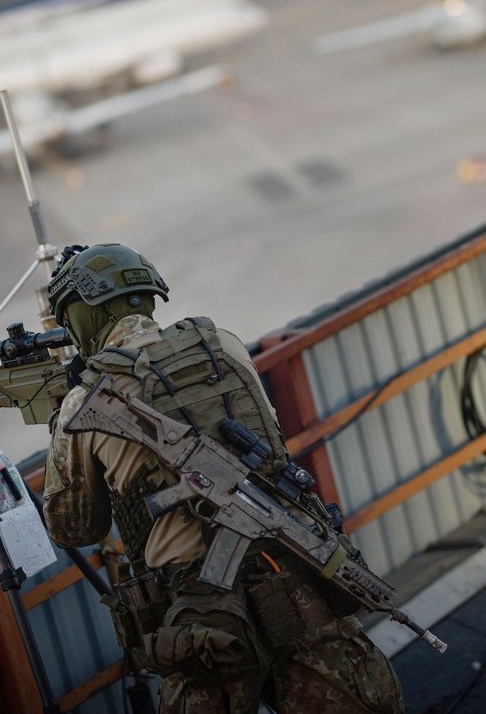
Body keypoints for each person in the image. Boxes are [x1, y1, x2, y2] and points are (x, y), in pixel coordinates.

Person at [42, 243, 404, 714]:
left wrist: (64, 422)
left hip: (204, 614)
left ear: (82, 314)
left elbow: (74, 528)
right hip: (294, 570)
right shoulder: (224, 345)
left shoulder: (85, 403)